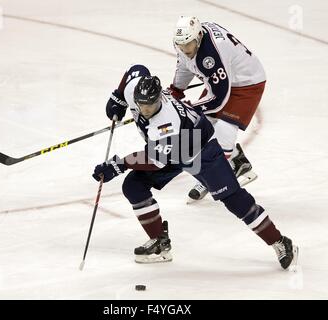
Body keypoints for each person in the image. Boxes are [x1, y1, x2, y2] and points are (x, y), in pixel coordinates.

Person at [92, 64, 298, 269]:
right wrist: (118, 97)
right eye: (141, 106)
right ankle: (159, 244)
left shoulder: (165, 122)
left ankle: (280, 242)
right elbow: (136, 69)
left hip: (199, 147)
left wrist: (118, 164)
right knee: (133, 186)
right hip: (171, 148)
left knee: (233, 198)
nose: (145, 111)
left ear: (158, 101)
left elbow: (155, 161)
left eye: (150, 106)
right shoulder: (135, 90)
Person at [169, 16, 266, 201]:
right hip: (222, 80)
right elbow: (185, 65)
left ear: (198, 37)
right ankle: (238, 162)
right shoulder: (186, 42)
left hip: (247, 83)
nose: (185, 50)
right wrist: (176, 91)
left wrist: (189, 107)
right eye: (181, 46)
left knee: (222, 132)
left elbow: (218, 100)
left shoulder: (211, 53)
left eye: (188, 45)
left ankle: (220, 173)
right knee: (197, 128)